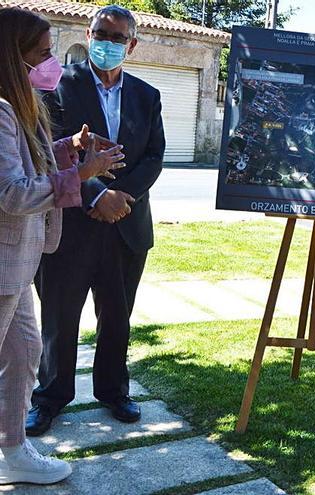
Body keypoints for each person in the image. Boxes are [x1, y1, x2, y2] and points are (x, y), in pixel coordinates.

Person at [27, 4, 165, 436]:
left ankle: (113, 391)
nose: (106, 44)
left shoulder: (147, 95)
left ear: (133, 44)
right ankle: (50, 398)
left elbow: (154, 157)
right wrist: (96, 193)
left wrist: (122, 196)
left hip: (126, 224)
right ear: (88, 35)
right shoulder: (55, 87)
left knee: (117, 317)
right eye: (100, 35)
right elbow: (46, 149)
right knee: (59, 317)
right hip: (70, 224)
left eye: (116, 38)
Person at [0, 7, 124, 484]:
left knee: (25, 353)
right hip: (5, 261)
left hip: (20, 258)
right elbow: (11, 193)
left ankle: (13, 449)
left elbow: (27, 165)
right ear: (12, 58)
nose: (51, 62)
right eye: (42, 54)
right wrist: (83, 175)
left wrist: (66, 148)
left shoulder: (19, 103)